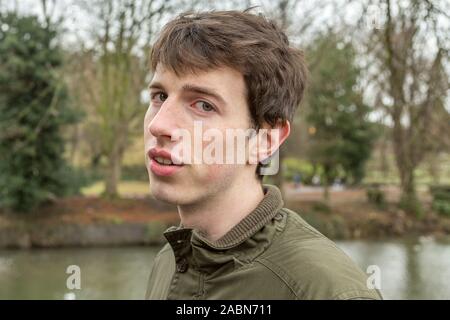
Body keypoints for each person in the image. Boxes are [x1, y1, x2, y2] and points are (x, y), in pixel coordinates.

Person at [144, 10, 382, 300]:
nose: (159, 125)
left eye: (203, 105)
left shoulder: (326, 290)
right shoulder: (168, 261)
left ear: (265, 139)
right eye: (159, 96)